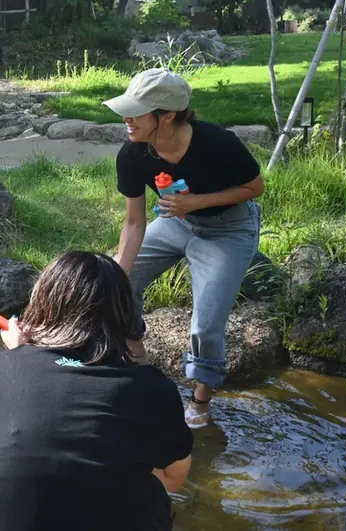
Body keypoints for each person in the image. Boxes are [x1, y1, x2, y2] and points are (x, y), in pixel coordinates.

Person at [0, 251, 194, 531]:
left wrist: (20, 353)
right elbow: (173, 479)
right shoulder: (156, 389)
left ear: (43, 306)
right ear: (124, 318)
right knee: (149, 464)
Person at [105, 68, 264, 429]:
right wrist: (121, 276)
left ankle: (200, 400)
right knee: (117, 279)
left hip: (230, 228)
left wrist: (197, 201)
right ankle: (138, 357)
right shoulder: (133, 154)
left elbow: (255, 188)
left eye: (136, 112)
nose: (126, 119)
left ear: (167, 116)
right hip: (176, 224)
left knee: (206, 324)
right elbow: (134, 223)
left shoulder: (219, 144)